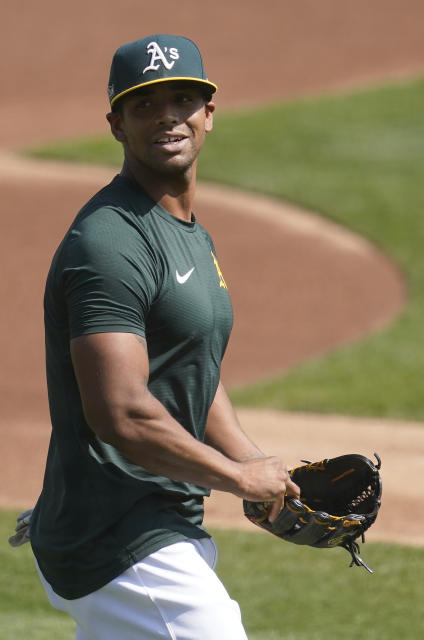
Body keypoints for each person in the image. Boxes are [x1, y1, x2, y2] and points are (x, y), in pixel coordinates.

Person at [20, 34, 300, 639]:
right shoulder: (109, 244)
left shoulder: (187, 232)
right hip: (117, 538)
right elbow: (120, 412)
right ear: (116, 124)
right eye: (145, 105)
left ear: (208, 114)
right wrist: (236, 478)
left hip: (154, 522)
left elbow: (189, 363)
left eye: (183, 99)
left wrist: (248, 456)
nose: (168, 116)